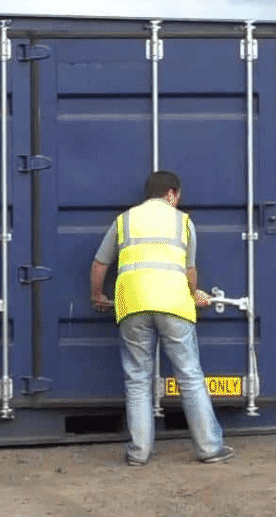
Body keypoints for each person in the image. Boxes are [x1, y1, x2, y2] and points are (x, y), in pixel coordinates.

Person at [90, 170, 234, 466]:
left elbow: (100, 264)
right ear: (171, 194)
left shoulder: (124, 220)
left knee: (137, 380)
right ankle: (209, 448)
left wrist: (97, 295)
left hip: (132, 304)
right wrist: (194, 293)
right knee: (189, 376)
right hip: (173, 305)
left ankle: (139, 453)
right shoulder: (183, 222)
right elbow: (189, 271)